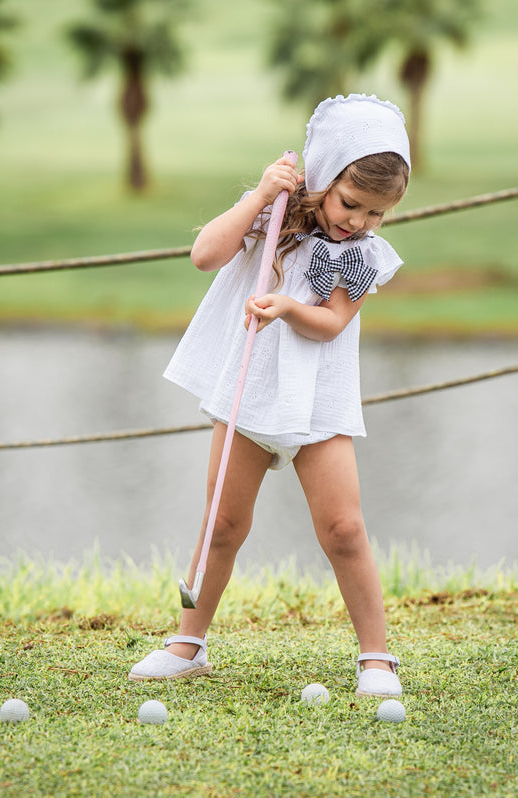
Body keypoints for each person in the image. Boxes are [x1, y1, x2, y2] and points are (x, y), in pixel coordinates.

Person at [129, 94, 411, 697]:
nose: (359, 221)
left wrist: (287, 307)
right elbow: (205, 254)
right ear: (324, 174)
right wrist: (258, 196)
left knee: (343, 528)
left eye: (376, 213)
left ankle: (377, 658)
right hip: (251, 391)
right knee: (223, 524)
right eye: (350, 203)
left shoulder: (359, 254)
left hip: (318, 401)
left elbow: (332, 323)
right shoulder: (273, 213)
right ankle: (188, 643)